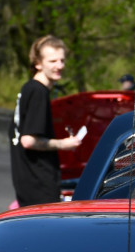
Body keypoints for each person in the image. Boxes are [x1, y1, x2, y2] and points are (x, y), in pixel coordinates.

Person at [9, 35, 81, 207]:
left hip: (27, 180)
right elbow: (28, 140)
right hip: (39, 184)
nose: (60, 66)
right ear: (38, 64)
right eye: (53, 61)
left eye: (62, 60)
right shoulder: (38, 93)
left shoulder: (29, 88)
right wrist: (64, 144)